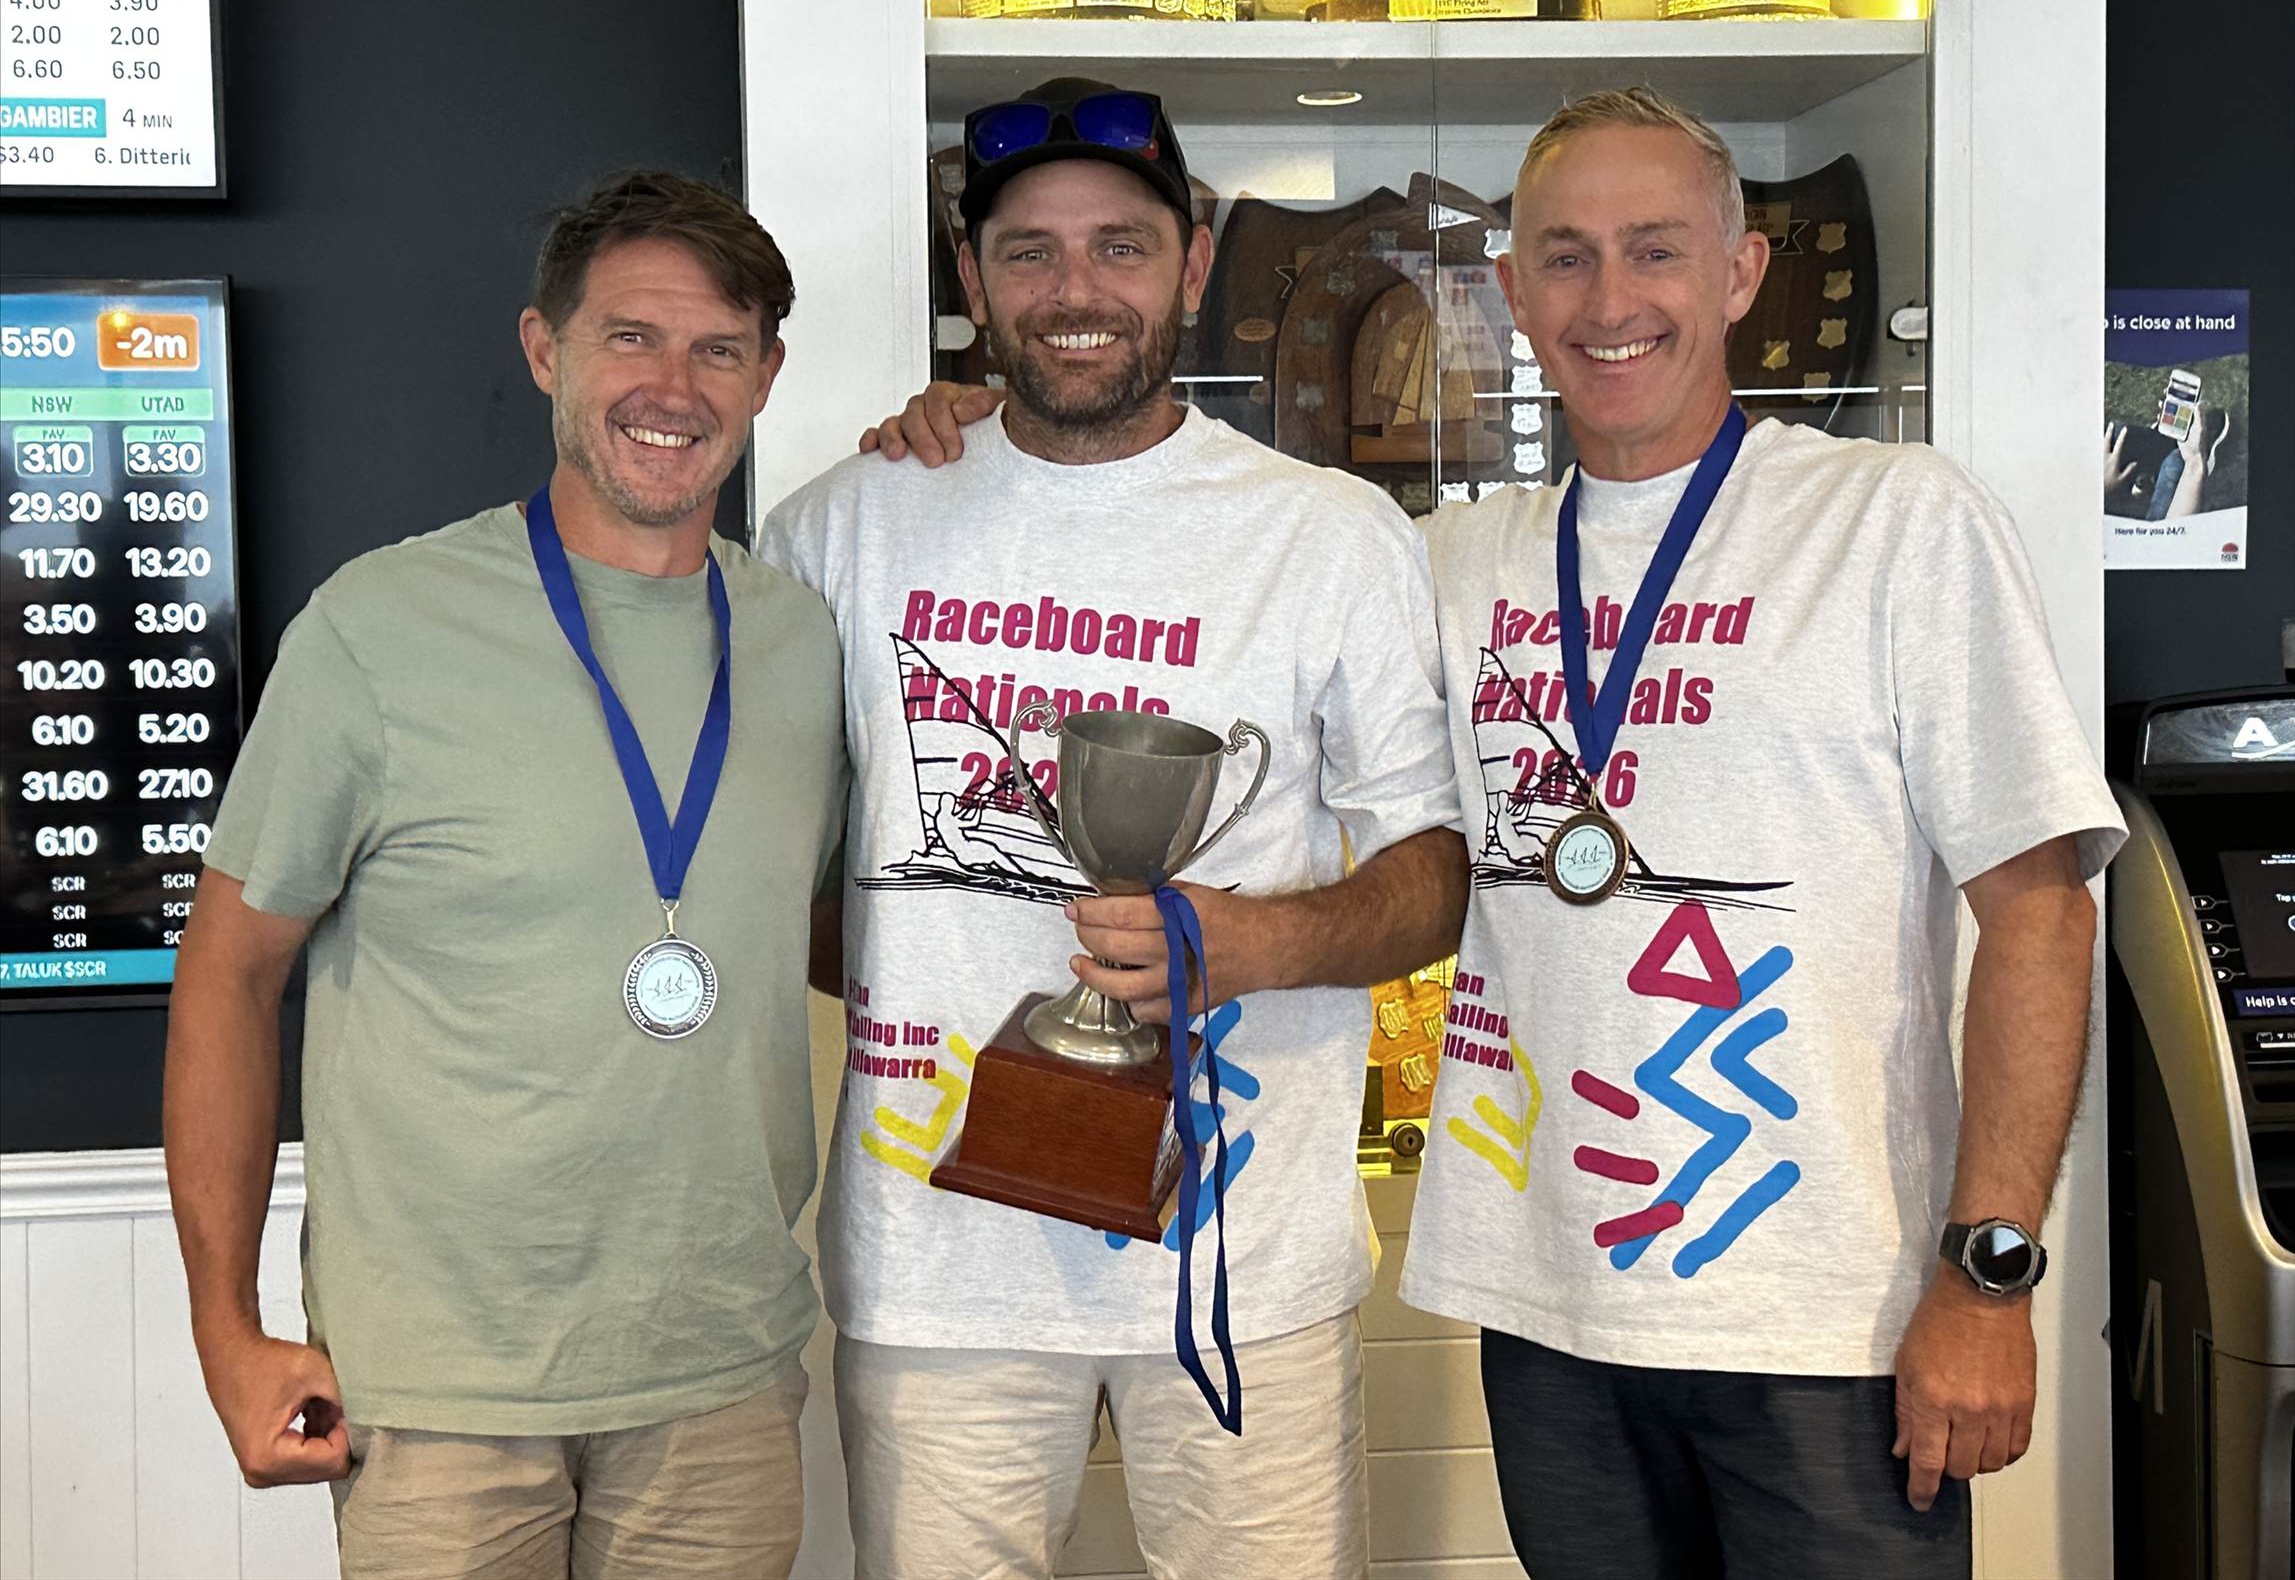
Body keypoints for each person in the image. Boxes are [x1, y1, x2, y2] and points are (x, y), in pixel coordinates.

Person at [871, 86, 2126, 1580]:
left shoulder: (1897, 522)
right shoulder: (1446, 559)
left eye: (1655, 250)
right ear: (1514, 291)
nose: (1611, 301)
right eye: (1566, 258)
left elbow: (2041, 909)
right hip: (1549, 1308)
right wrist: (995, 430)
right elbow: (1179, 552)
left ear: (1740, 272)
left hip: (1830, 1316)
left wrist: (1989, 1274)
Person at [758, 77, 1465, 1580]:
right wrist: (915, 958)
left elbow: (1431, 878)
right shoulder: (842, 527)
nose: (1075, 291)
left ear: (1193, 263)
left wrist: (1254, 942)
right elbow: (778, 874)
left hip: (1241, 1260)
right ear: (972, 277)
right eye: (1029, 251)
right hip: (937, 1260)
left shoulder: (1330, 534)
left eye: (1121, 247)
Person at [164, 170, 845, 1578]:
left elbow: (824, 926)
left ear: (767, 375)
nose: (674, 387)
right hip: (438, 1397)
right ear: (546, 349)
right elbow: (228, 970)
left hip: (718, 1370)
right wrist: (226, 1330)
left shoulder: (802, 642)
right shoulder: (376, 628)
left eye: (719, 348)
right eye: (630, 337)